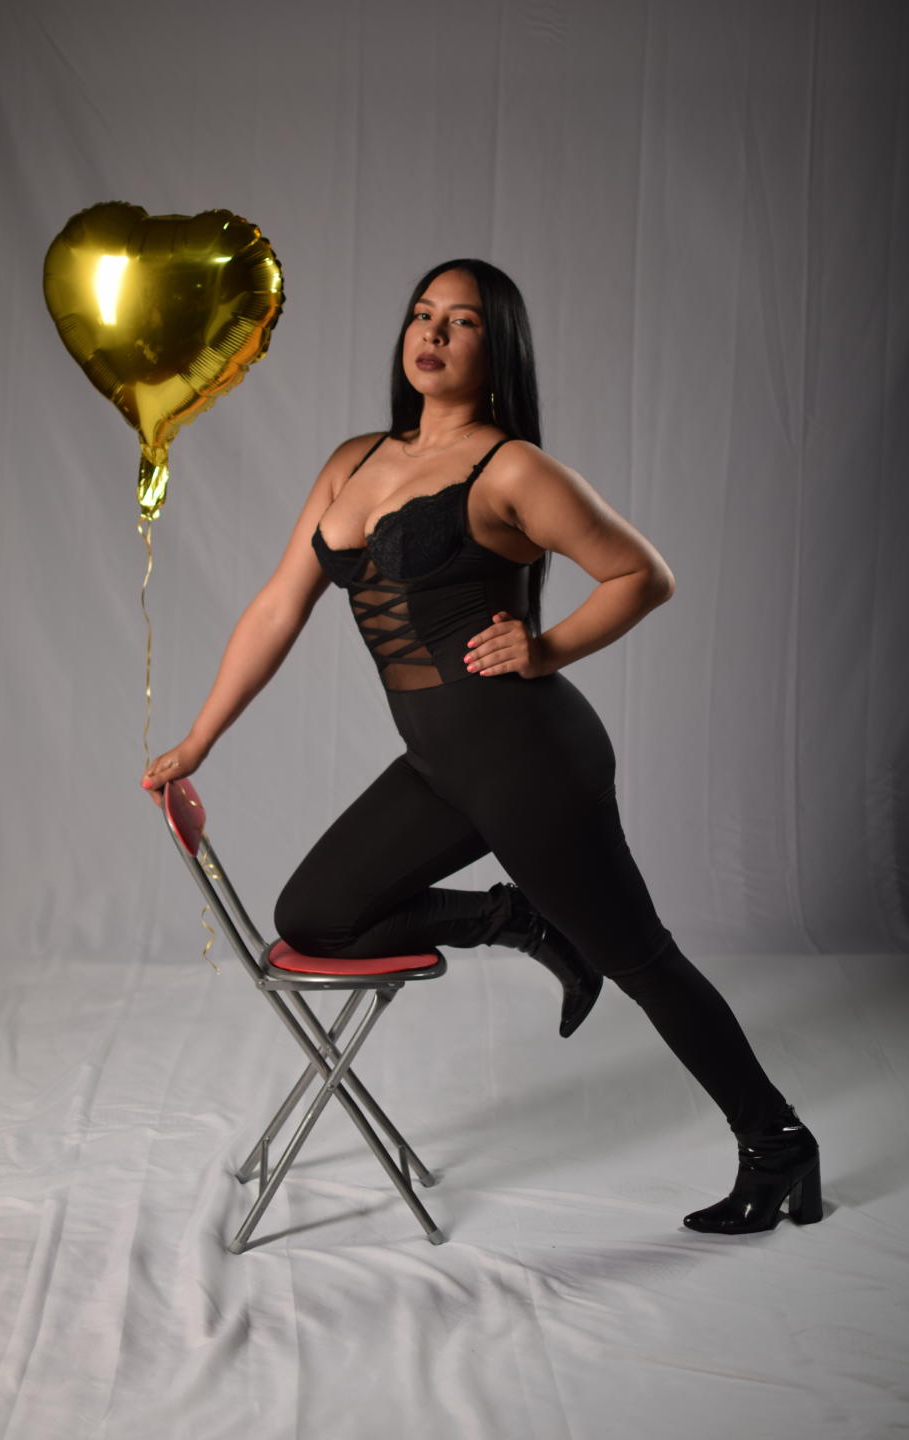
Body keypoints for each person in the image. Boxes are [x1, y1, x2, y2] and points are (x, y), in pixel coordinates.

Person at [142, 258, 821, 1236]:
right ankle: (516, 919)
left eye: (460, 322)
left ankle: (777, 1143)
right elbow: (278, 606)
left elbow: (643, 574)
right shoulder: (352, 462)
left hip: (530, 759)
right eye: (423, 314)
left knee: (640, 959)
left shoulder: (510, 469)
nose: (433, 334)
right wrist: (201, 736)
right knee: (317, 916)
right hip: (442, 767)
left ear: (495, 350)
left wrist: (547, 647)